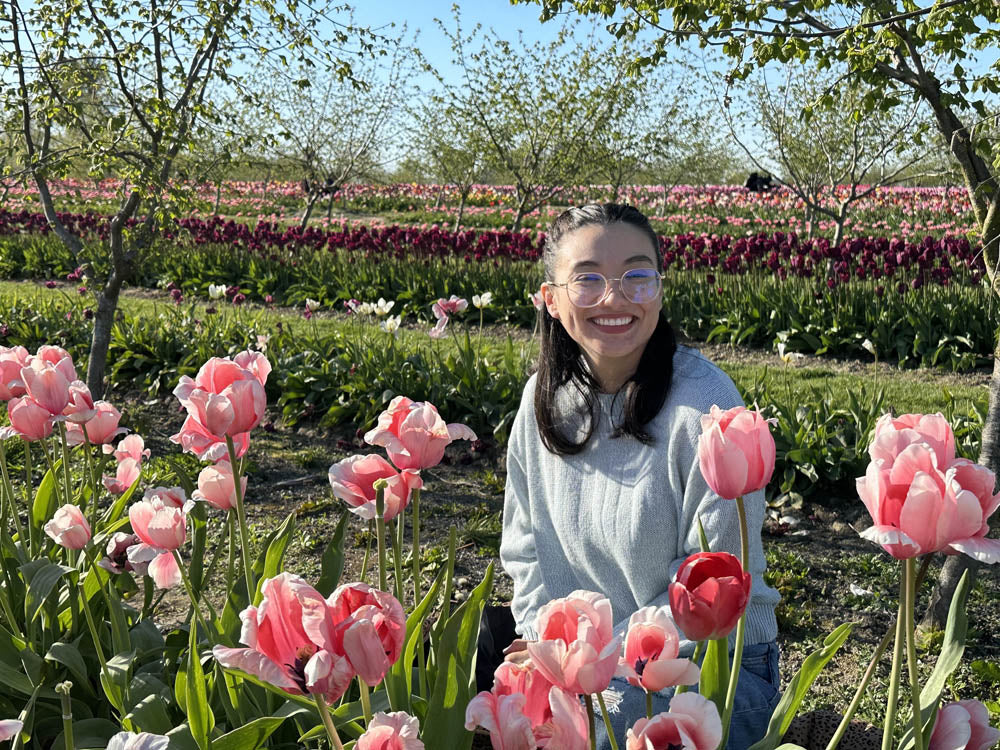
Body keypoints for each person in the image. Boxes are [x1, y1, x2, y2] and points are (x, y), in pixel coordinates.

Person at [495, 203, 781, 750]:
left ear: (660, 289)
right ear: (550, 300)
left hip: (712, 661)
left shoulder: (705, 408)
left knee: (601, 731)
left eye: (636, 276)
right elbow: (524, 550)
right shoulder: (541, 403)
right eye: (588, 280)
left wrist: (591, 665)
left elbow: (711, 578)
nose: (615, 297)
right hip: (587, 663)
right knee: (491, 707)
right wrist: (542, 644)